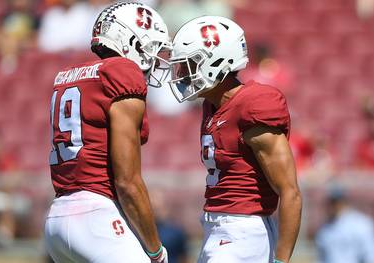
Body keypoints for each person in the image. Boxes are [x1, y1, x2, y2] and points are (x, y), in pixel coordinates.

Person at [164, 16, 302, 263]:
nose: (183, 73)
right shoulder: (212, 105)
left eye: (190, 64)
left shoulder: (254, 104)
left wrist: (281, 260)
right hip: (218, 230)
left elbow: (290, 192)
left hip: (244, 232)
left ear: (216, 62)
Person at [44, 2, 171, 262]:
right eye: (150, 47)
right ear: (129, 40)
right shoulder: (122, 72)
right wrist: (156, 250)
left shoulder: (69, 75)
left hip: (57, 216)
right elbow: (127, 182)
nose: (153, 57)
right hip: (96, 218)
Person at [315, 188, 374, 263]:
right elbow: (321, 258)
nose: (332, 206)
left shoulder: (361, 224)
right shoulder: (324, 230)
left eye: (335, 203)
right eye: (330, 203)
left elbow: (373, 256)